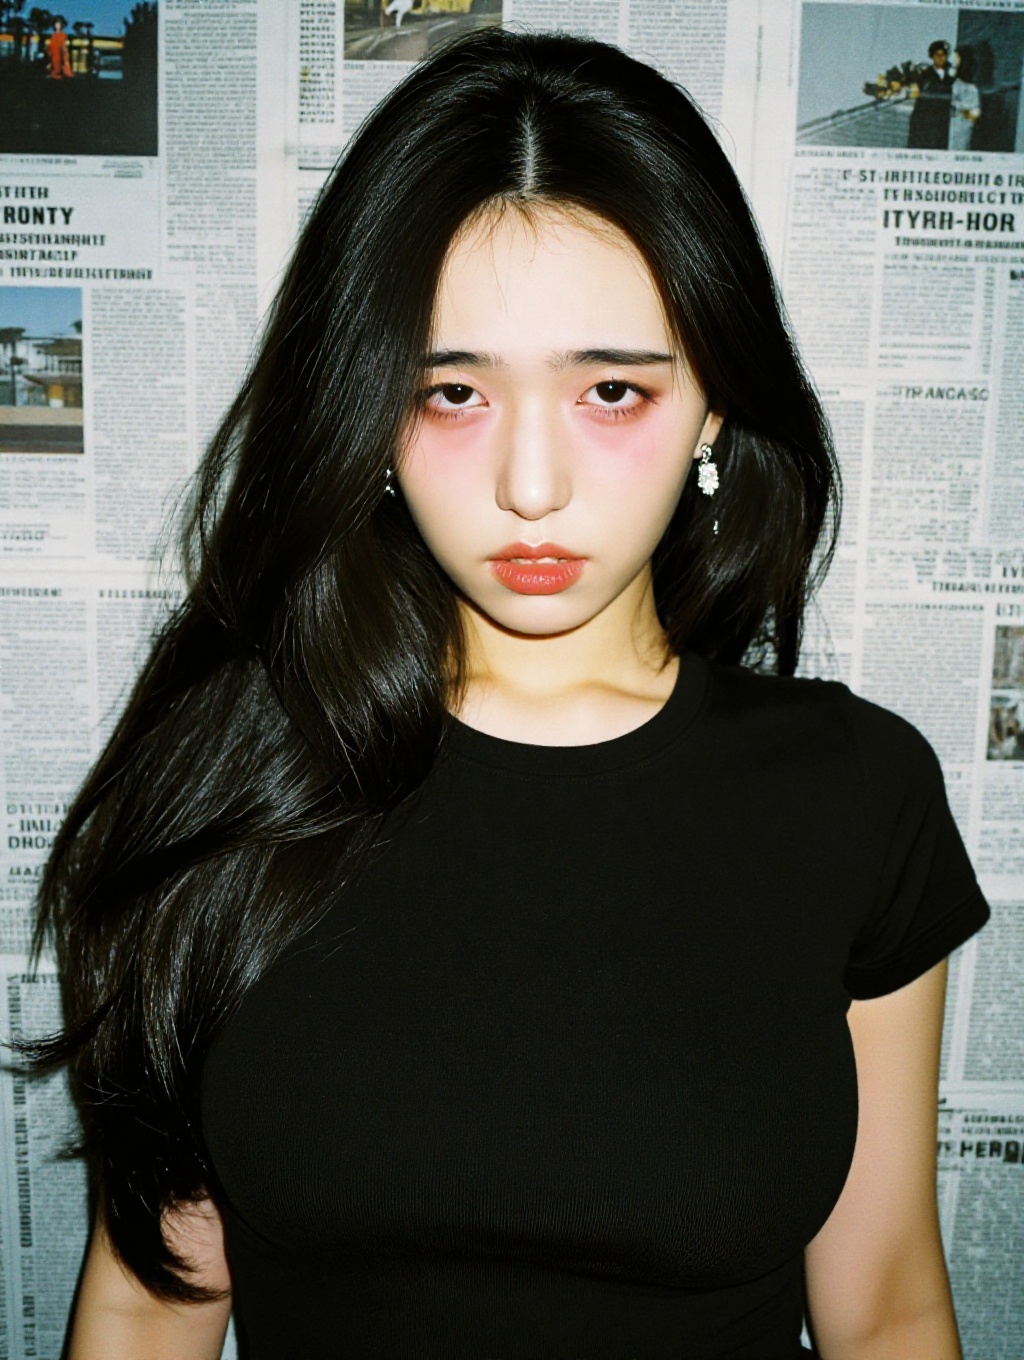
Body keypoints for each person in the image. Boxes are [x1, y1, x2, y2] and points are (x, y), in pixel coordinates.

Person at [27, 28, 989, 1360]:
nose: (531, 484)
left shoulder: (855, 794)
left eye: (612, 390)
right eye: (452, 392)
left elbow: (884, 1311)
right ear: (371, 413)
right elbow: (148, 1303)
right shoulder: (227, 776)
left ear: (714, 403)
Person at [908, 39, 954, 148]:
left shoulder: (951, 77)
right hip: (925, 122)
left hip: (942, 123)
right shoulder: (924, 75)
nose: (940, 58)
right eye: (937, 55)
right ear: (932, 56)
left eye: (943, 55)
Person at [949, 47, 982, 152]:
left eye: (957, 58)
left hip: (961, 129)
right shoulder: (953, 83)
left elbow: (974, 113)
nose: (954, 62)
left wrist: (960, 109)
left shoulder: (971, 88)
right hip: (949, 128)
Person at [46, 16, 73, 80]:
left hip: (59, 53)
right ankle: (55, 73)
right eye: (56, 24)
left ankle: (60, 74)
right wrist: (49, 51)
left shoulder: (63, 35)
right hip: (53, 54)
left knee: (60, 65)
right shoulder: (53, 35)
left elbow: (64, 46)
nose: (58, 26)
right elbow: (51, 46)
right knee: (54, 65)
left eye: (59, 24)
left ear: (62, 25)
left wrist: (64, 54)